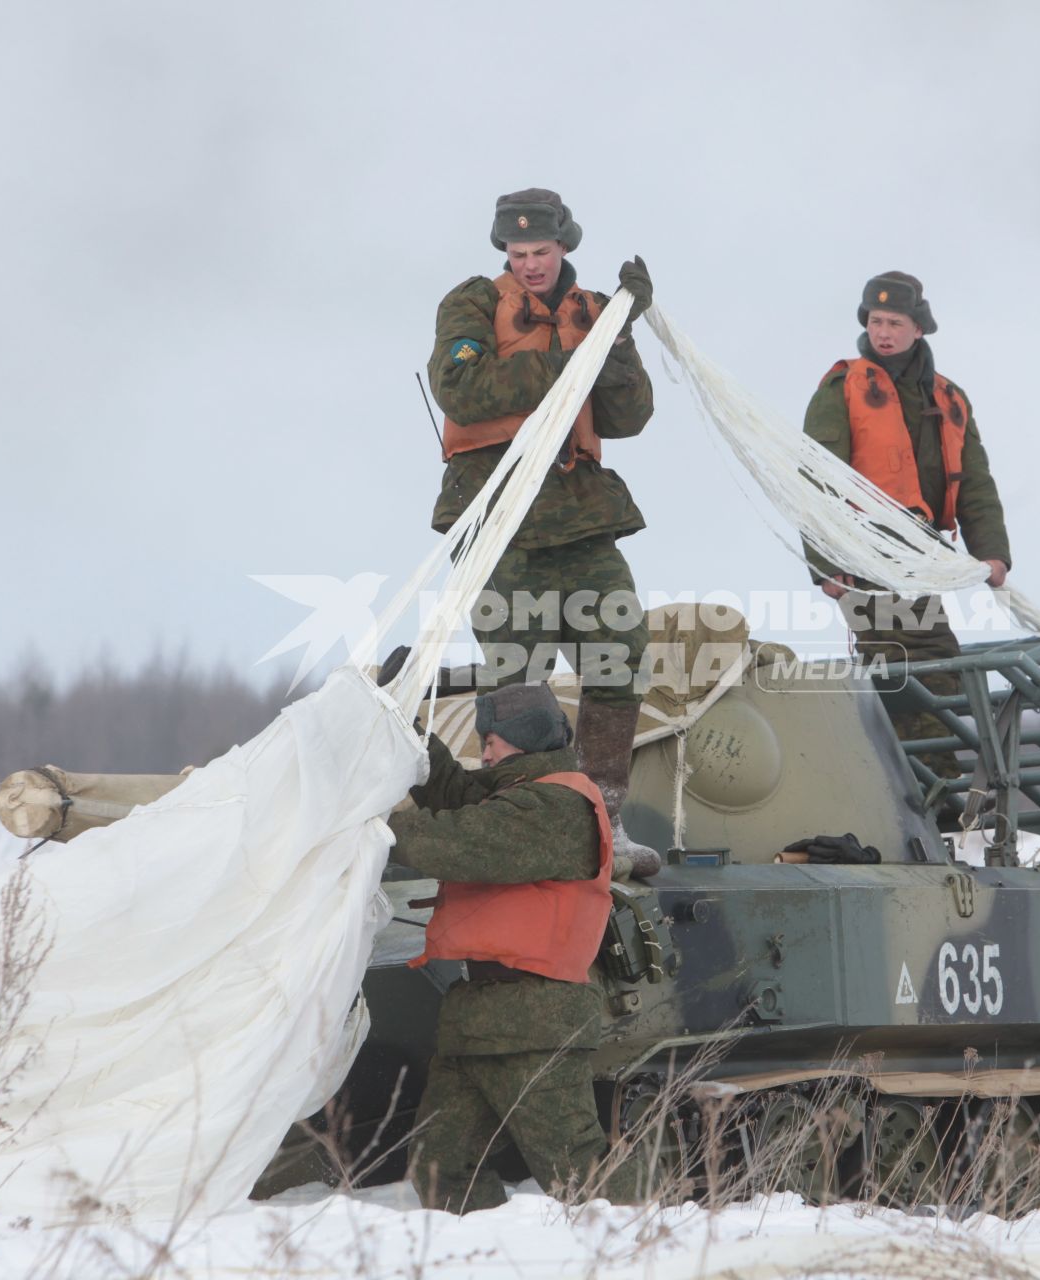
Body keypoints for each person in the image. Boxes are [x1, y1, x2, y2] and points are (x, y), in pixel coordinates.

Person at [425, 187, 660, 875]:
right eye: (517, 253)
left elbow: (629, 415)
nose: (529, 265)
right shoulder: (472, 303)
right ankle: (522, 825)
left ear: (565, 249)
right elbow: (462, 389)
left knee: (620, 654)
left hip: (583, 516)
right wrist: (569, 365)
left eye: (542, 252)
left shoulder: (592, 314)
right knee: (516, 681)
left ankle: (602, 825)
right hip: (499, 516)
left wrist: (614, 332)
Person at [386, 683, 646, 1212]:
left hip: (535, 1023)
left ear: (526, 739)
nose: (483, 752)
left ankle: (659, 1249)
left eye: (493, 741)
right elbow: (455, 792)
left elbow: (461, 839)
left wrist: (366, 828)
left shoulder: (556, 805)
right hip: (480, 1023)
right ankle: (489, 1258)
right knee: (440, 1166)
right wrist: (403, 723)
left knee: (581, 1175)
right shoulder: (519, 794)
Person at [802, 271, 1011, 787]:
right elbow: (814, 477)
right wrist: (826, 563)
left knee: (937, 668)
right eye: (876, 321)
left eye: (895, 322)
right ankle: (918, 793)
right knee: (900, 671)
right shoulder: (843, 386)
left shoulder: (949, 397)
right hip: (862, 553)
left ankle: (932, 792)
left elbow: (976, 482)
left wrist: (994, 554)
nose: (884, 332)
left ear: (919, 328)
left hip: (925, 559)